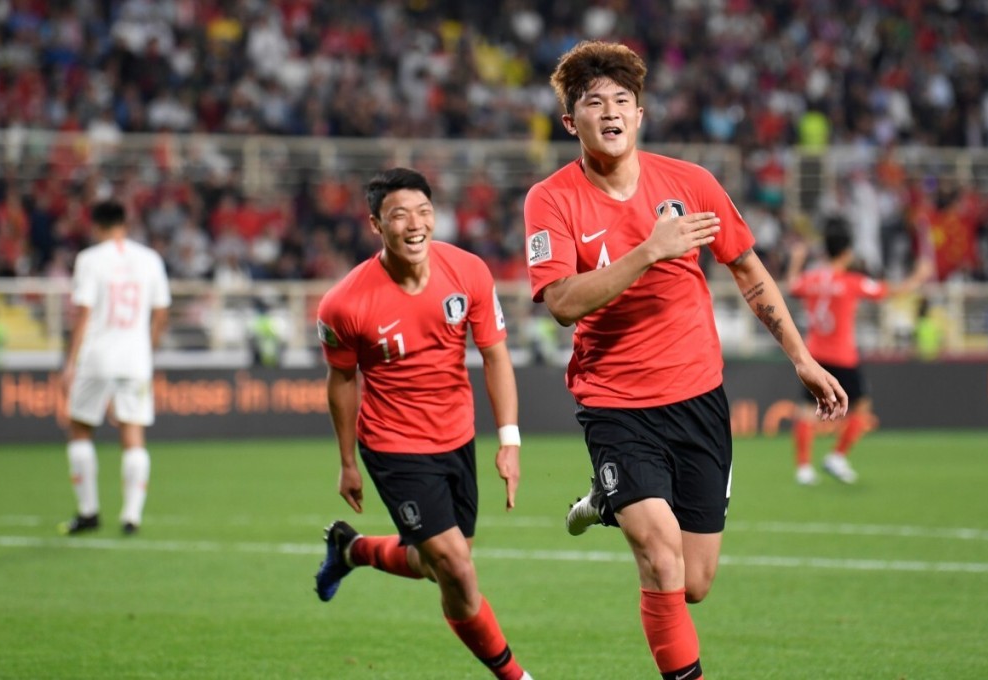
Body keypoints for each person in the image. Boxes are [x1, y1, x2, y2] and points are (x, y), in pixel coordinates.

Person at [523, 41, 848, 680]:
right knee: (661, 559)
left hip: (698, 399)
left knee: (693, 583)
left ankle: (610, 500)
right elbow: (561, 302)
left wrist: (802, 358)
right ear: (572, 123)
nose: (610, 111)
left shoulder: (691, 183)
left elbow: (749, 271)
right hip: (615, 403)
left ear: (640, 114)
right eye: (594, 103)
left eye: (622, 101)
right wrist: (648, 250)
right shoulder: (552, 200)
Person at [314, 168, 532, 680]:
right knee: (456, 566)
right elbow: (342, 381)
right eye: (399, 215)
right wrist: (347, 461)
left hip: (457, 437)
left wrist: (509, 440)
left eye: (424, 212)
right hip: (393, 446)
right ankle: (516, 676)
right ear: (375, 225)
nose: (415, 225)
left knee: (438, 565)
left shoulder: (469, 271)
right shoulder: (345, 303)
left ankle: (353, 549)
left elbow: (495, 355)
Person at [786, 216, 931, 485]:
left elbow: (791, 285)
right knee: (862, 406)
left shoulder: (812, 278)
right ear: (847, 252)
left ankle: (803, 468)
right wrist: (919, 276)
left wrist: (796, 258)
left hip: (815, 354)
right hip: (842, 356)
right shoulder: (852, 281)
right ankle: (837, 456)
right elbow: (891, 291)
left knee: (806, 410)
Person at [59, 200, 171, 535]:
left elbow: (83, 312)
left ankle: (89, 511)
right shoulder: (150, 259)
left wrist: (70, 362)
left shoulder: (90, 259)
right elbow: (161, 312)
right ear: (125, 222)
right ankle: (131, 516)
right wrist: (146, 350)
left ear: (96, 226)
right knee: (133, 433)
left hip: (97, 356)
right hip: (136, 358)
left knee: (80, 428)